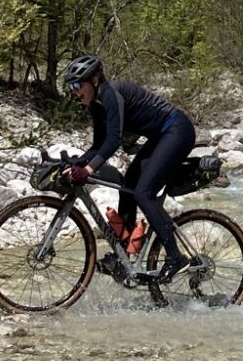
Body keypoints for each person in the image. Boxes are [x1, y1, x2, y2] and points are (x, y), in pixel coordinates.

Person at [61, 55, 197, 283]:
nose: (74, 91)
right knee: (127, 188)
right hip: (160, 137)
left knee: (144, 192)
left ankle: (175, 257)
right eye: (71, 87)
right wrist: (77, 163)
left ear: (94, 79)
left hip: (177, 130)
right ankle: (124, 257)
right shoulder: (96, 105)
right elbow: (98, 145)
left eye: (77, 85)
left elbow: (113, 141)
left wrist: (88, 171)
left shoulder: (110, 94)